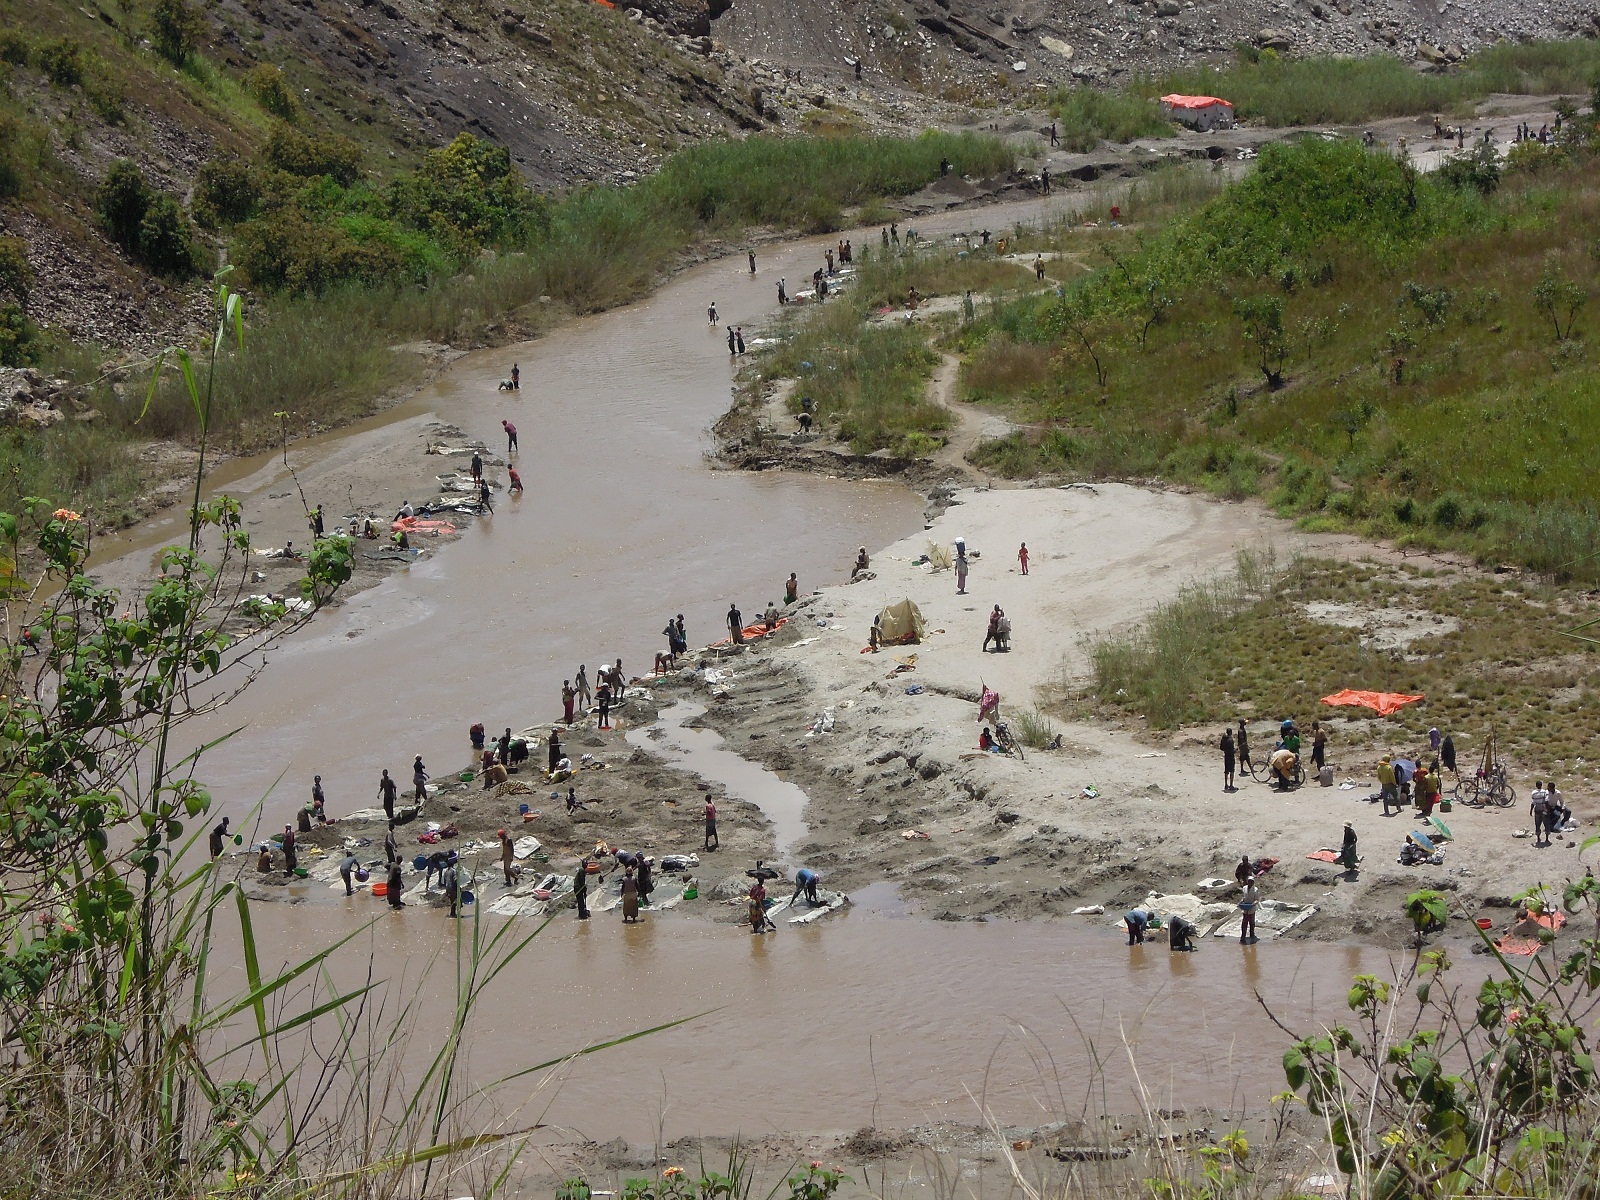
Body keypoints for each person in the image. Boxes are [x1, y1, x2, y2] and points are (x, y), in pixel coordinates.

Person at [1239, 876, 1259, 944]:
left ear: (1253, 882)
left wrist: (1253, 904)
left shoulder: (1255, 890)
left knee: (1251, 923)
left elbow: (1257, 899)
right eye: (1249, 881)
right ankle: (1243, 936)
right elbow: (1243, 897)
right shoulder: (1244, 888)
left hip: (1252, 908)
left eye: (1251, 881)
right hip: (1245, 908)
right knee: (1244, 923)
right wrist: (1241, 902)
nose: (1250, 883)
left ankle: (1252, 935)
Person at [1530, 780, 1550, 846]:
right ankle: (1547, 839)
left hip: (1537, 809)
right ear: (1541, 785)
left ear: (1536, 786)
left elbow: (1533, 803)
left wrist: (1531, 810)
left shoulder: (1533, 793)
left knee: (1537, 824)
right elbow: (1547, 801)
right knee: (1546, 824)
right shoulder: (1545, 792)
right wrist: (1547, 810)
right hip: (1543, 809)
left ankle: (1538, 838)